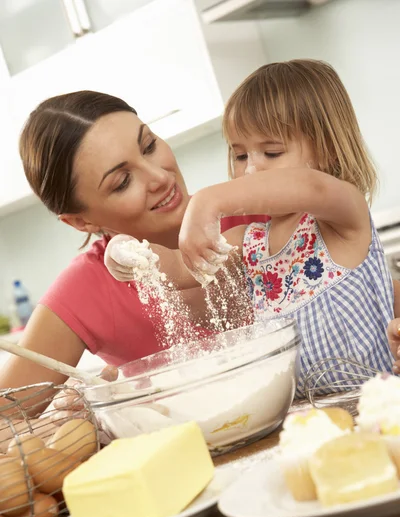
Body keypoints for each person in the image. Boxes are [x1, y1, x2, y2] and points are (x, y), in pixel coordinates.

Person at [108, 60, 397, 397]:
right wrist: (128, 250)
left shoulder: (342, 215)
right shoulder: (249, 242)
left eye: (271, 152)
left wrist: (207, 201)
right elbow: (179, 267)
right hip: (302, 416)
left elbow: (308, 186)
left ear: (328, 149)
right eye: (241, 155)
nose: (251, 168)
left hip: (378, 408)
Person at [0, 90, 266, 413]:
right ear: (80, 221)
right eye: (123, 181)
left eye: (149, 146)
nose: (159, 177)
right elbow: (6, 417)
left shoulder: (257, 207)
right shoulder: (88, 288)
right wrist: (67, 415)